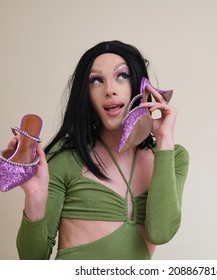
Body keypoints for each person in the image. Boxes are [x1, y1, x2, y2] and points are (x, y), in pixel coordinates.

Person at [13, 40, 189, 260]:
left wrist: (164, 139)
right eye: (96, 80)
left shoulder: (174, 157)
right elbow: (32, 260)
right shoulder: (66, 158)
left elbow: (160, 232)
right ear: (86, 94)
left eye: (122, 76)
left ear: (141, 85)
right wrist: (35, 197)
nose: (110, 90)